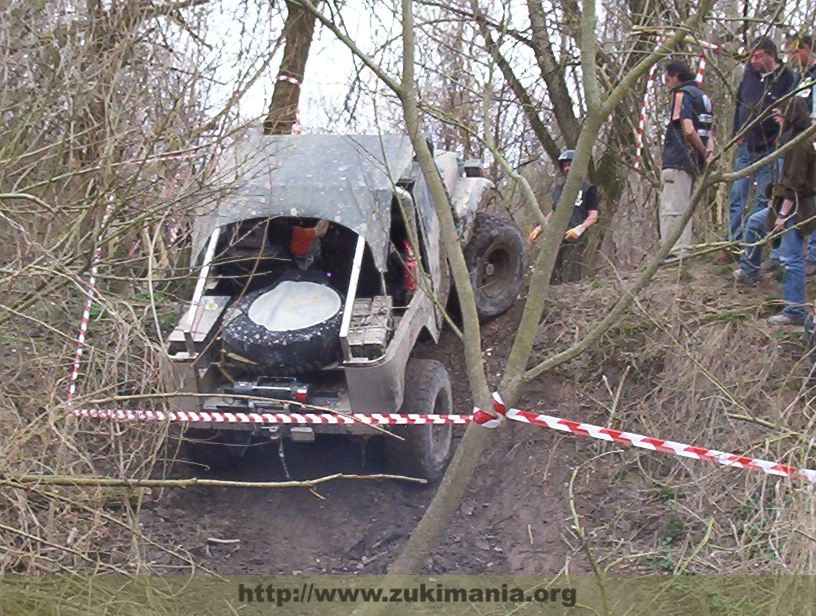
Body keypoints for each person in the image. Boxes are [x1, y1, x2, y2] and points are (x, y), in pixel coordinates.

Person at [733, 97, 816, 326]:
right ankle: (749, 271)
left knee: (791, 259)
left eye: (780, 112)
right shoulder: (789, 142)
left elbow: (795, 184)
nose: (776, 116)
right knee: (755, 223)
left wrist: (782, 216)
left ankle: (795, 311)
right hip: (781, 204)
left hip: (796, 208)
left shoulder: (799, 145)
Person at [718, 37, 796, 263]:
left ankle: (753, 250)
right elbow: (739, 103)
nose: (753, 61)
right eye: (751, 56)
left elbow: (792, 109)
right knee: (737, 195)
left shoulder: (787, 77)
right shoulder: (749, 75)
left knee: (764, 199)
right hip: (746, 147)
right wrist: (737, 133)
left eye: (758, 56)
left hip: (771, 147)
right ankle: (731, 243)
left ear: (771, 55)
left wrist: (781, 134)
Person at [659, 60, 715, 257]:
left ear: (675, 75)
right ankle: (683, 251)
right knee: (685, 209)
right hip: (693, 165)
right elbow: (709, 133)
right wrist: (707, 155)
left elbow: (689, 130)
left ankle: (672, 254)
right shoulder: (704, 97)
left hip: (678, 160)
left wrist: (700, 150)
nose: (666, 82)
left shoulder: (681, 95)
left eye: (667, 78)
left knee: (671, 209)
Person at [528, 149, 598, 283]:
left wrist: (580, 229)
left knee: (571, 278)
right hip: (555, 237)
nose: (567, 168)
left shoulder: (588, 189)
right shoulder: (559, 189)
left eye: (570, 164)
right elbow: (554, 212)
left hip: (576, 238)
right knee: (551, 276)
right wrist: (540, 228)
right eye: (564, 165)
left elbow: (593, 215)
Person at [786, 34, 816, 275]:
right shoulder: (800, 79)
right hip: (799, 146)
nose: (792, 58)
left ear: (807, 50)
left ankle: (814, 254)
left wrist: (807, 148)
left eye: (796, 53)